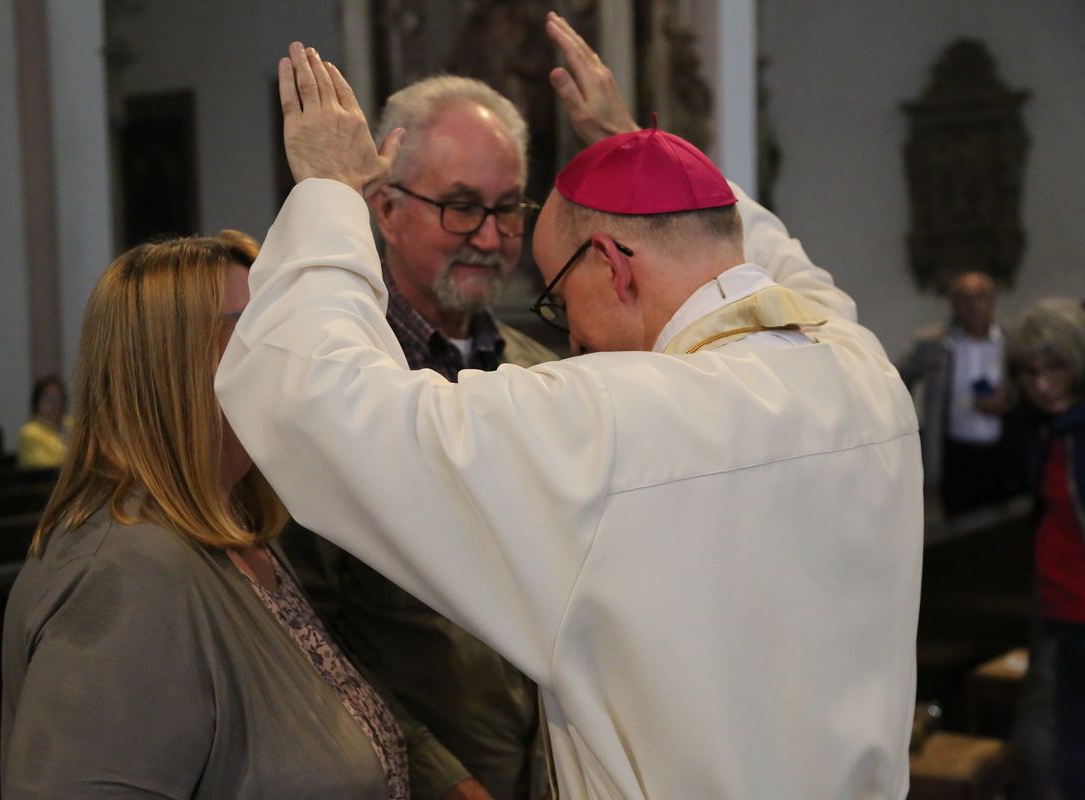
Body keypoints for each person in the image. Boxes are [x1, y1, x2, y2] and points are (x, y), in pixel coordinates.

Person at [218, 22, 921, 800]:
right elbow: (778, 266)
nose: (571, 332)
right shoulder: (862, 370)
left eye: (559, 294)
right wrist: (636, 149)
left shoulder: (613, 420)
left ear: (615, 267)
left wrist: (324, 188)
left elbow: (316, 402)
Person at [1, 230, 408, 799]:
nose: (291, 359)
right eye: (259, 334)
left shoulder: (234, 530)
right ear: (171, 367)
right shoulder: (125, 576)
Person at [282, 74, 555, 800]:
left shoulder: (550, 377)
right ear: (385, 208)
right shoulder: (340, 384)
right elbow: (304, 630)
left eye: (507, 210)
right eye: (462, 208)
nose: (492, 239)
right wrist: (439, 776)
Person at [1008, 298, 1085, 798]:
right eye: (1031, 371)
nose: (1042, 383)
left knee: (1054, 755)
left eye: (1054, 368)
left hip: (1079, 613)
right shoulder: (1047, 429)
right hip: (1056, 608)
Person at [896, 271, 1022, 515]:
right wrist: (905, 421)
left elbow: (1026, 385)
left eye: (981, 297)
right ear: (954, 305)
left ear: (993, 302)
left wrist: (1007, 400)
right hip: (955, 454)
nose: (974, 306)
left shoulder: (1012, 340)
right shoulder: (934, 343)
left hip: (1002, 450)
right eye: (965, 299)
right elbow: (898, 375)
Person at [16, 374, 70, 469]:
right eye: (47, 398)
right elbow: (48, 469)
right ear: (36, 402)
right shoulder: (29, 433)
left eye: (58, 398)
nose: (53, 403)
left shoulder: (70, 423)